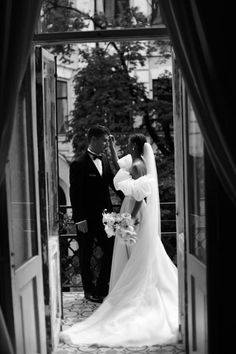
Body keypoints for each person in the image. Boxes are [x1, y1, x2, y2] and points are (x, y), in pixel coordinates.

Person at [60, 133, 179, 346]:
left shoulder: (137, 166)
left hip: (132, 214)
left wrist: (127, 221)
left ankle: (124, 292)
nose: (125, 146)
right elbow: (113, 171)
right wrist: (113, 149)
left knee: (132, 255)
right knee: (121, 254)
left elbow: (139, 196)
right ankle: (94, 291)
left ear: (134, 146)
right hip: (120, 213)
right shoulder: (132, 163)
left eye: (128, 144)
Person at [69, 124, 123, 303]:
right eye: (105, 141)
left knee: (111, 250)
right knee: (85, 253)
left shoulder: (105, 161)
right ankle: (89, 291)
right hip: (86, 219)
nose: (106, 144)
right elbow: (75, 193)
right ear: (94, 139)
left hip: (106, 218)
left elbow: (113, 184)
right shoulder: (78, 164)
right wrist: (79, 219)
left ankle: (102, 288)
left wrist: (131, 196)